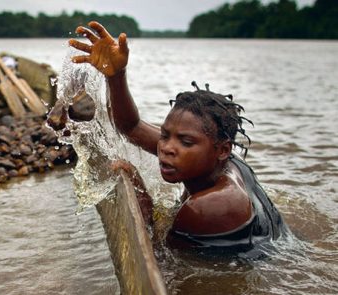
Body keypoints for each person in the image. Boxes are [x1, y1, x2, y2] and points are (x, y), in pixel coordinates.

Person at [68, 21, 287, 252]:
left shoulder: (212, 204)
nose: (166, 148)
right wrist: (116, 75)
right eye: (165, 135)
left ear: (223, 149)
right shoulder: (212, 158)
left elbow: (166, 258)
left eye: (185, 141)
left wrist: (143, 201)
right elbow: (131, 127)